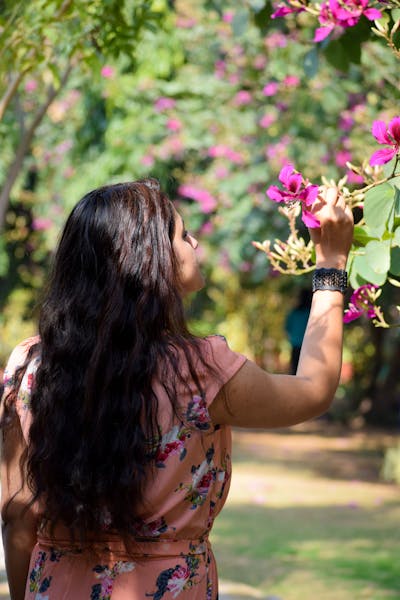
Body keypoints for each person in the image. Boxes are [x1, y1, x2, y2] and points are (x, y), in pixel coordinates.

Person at [1, 178, 353, 600]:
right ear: (150, 258)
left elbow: (18, 514)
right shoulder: (200, 371)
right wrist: (331, 264)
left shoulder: (31, 365)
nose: (196, 243)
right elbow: (313, 389)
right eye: (183, 234)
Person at [285, 288, 312, 374]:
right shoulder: (310, 313)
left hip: (295, 345)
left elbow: (287, 329)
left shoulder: (294, 313)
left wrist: (293, 339)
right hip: (308, 347)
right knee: (307, 373)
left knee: (295, 373)